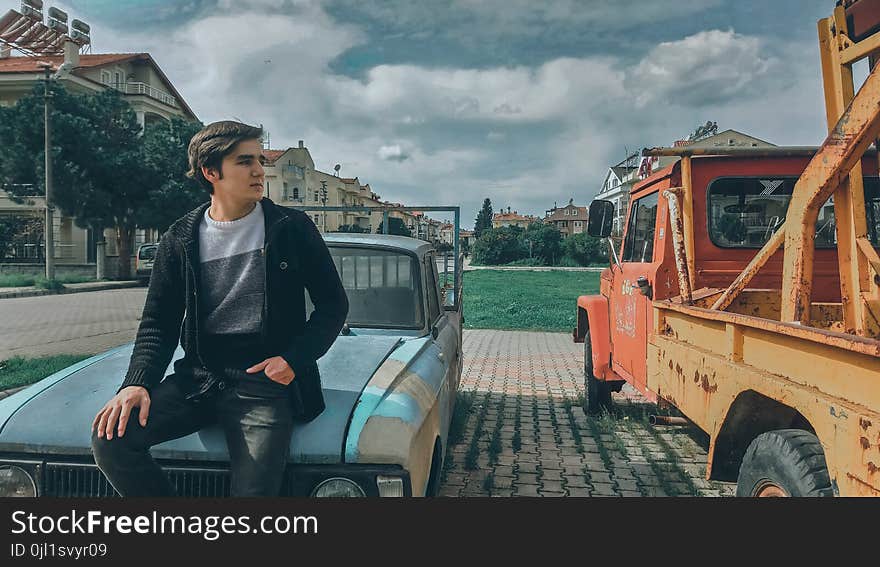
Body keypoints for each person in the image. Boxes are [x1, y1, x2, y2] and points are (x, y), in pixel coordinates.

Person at [91, 120, 348, 496]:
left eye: (260, 159)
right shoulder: (180, 237)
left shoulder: (291, 227)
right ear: (211, 172)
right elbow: (157, 324)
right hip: (198, 379)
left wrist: (293, 360)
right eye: (245, 162)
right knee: (112, 439)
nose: (260, 170)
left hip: (264, 385)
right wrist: (136, 384)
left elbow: (333, 305)